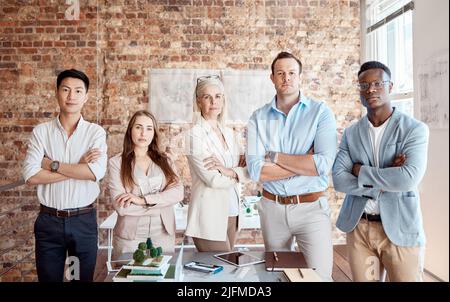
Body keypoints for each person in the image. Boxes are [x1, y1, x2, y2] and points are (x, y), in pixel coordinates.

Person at [332, 61, 429, 282]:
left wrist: (360, 171)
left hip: (400, 229)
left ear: (390, 86)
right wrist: (385, 179)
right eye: (364, 85)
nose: (371, 89)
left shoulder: (414, 130)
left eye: (377, 83)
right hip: (360, 229)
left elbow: (407, 178)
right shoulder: (351, 133)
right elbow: (339, 180)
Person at [246, 52, 337, 281]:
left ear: (300, 77)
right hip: (272, 208)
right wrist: (304, 162)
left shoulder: (320, 112)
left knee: (319, 277)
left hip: (311, 208)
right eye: (280, 73)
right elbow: (257, 171)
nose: (286, 78)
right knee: (276, 277)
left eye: (291, 73)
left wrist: (275, 156)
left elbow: (324, 164)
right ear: (272, 78)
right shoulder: (258, 117)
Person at [22, 69, 107, 282]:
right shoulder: (41, 132)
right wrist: (77, 166)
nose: (71, 96)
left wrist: (52, 165)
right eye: (66, 90)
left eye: (78, 91)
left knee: (79, 279)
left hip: (82, 223)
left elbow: (93, 172)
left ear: (86, 97)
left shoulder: (95, 132)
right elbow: (31, 175)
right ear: (57, 93)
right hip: (49, 223)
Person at [108, 110, 184, 259]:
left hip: (163, 233)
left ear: (154, 133)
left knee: (162, 277)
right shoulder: (116, 163)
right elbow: (122, 207)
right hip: (130, 236)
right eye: (138, 127)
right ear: (130, 131)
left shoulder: (165, 161)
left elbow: (178, 193)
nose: (143, 133)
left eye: (149, 128)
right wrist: (162, 203)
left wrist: (142, 201)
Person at [184, 75, 248, 252]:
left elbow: (249, 169)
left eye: (218, 96)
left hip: (233, 212)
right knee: (220, 269)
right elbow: (213, 179)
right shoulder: (193, 135)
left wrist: (228, 171)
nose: (214, 101)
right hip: (208, 214)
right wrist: (238, 173)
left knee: (225, 272)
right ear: (198, 101)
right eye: (207, 97)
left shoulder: (230, 134)